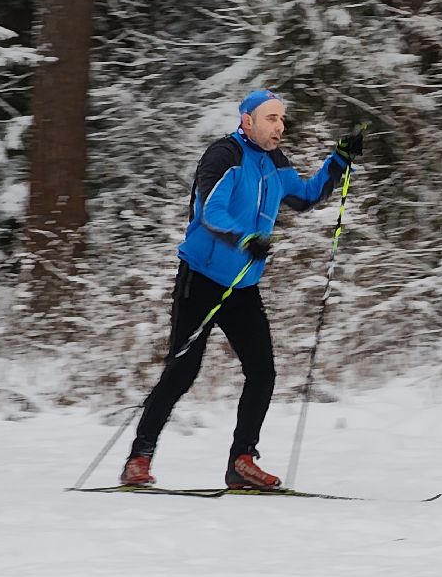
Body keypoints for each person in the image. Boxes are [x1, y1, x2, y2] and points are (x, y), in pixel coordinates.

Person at [120, 88, 363, 489]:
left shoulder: (274, 162)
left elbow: (303, 197)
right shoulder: (224, 156)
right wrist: (245, 239)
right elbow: (209, 212)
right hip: (200, 278)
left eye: (282, 120)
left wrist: (338, 161)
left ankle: (242, 460)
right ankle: (138, 458)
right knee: (182, 371)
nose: (279, 127)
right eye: (271, 119)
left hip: (241, 287)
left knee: (262, 371)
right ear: (247, 120)